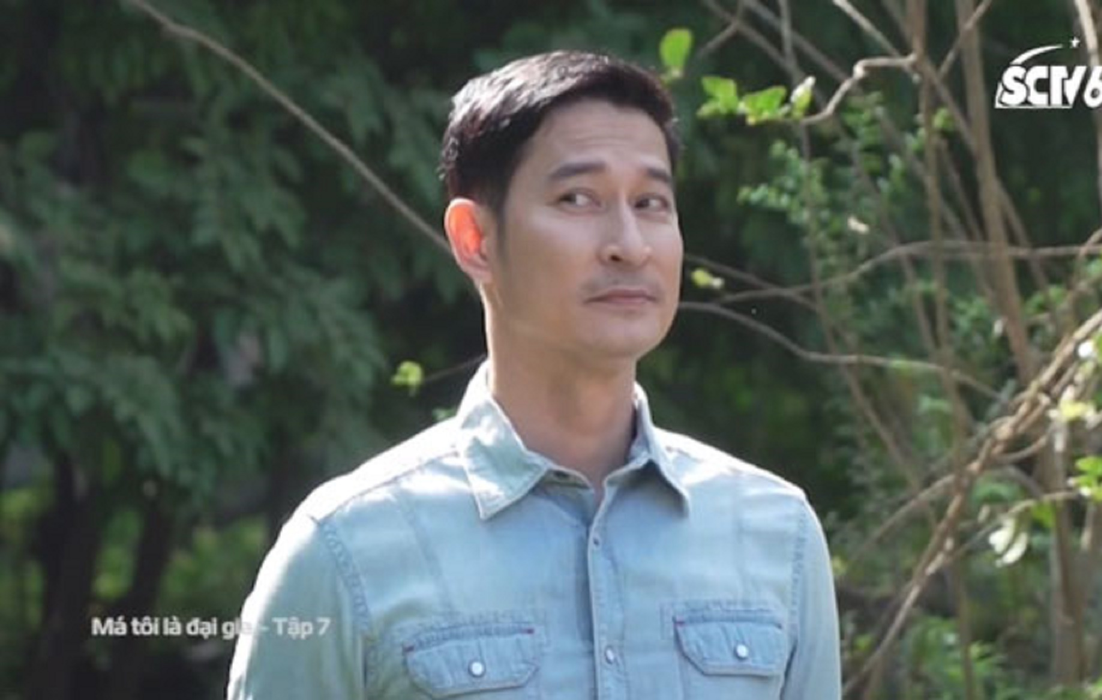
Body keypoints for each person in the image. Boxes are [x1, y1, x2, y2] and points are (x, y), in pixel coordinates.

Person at [226, 50, 840, 699]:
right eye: (578, 198)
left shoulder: (776, 534)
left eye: (651, 202)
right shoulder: (345, 551)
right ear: (475, 239)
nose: (629, 244)